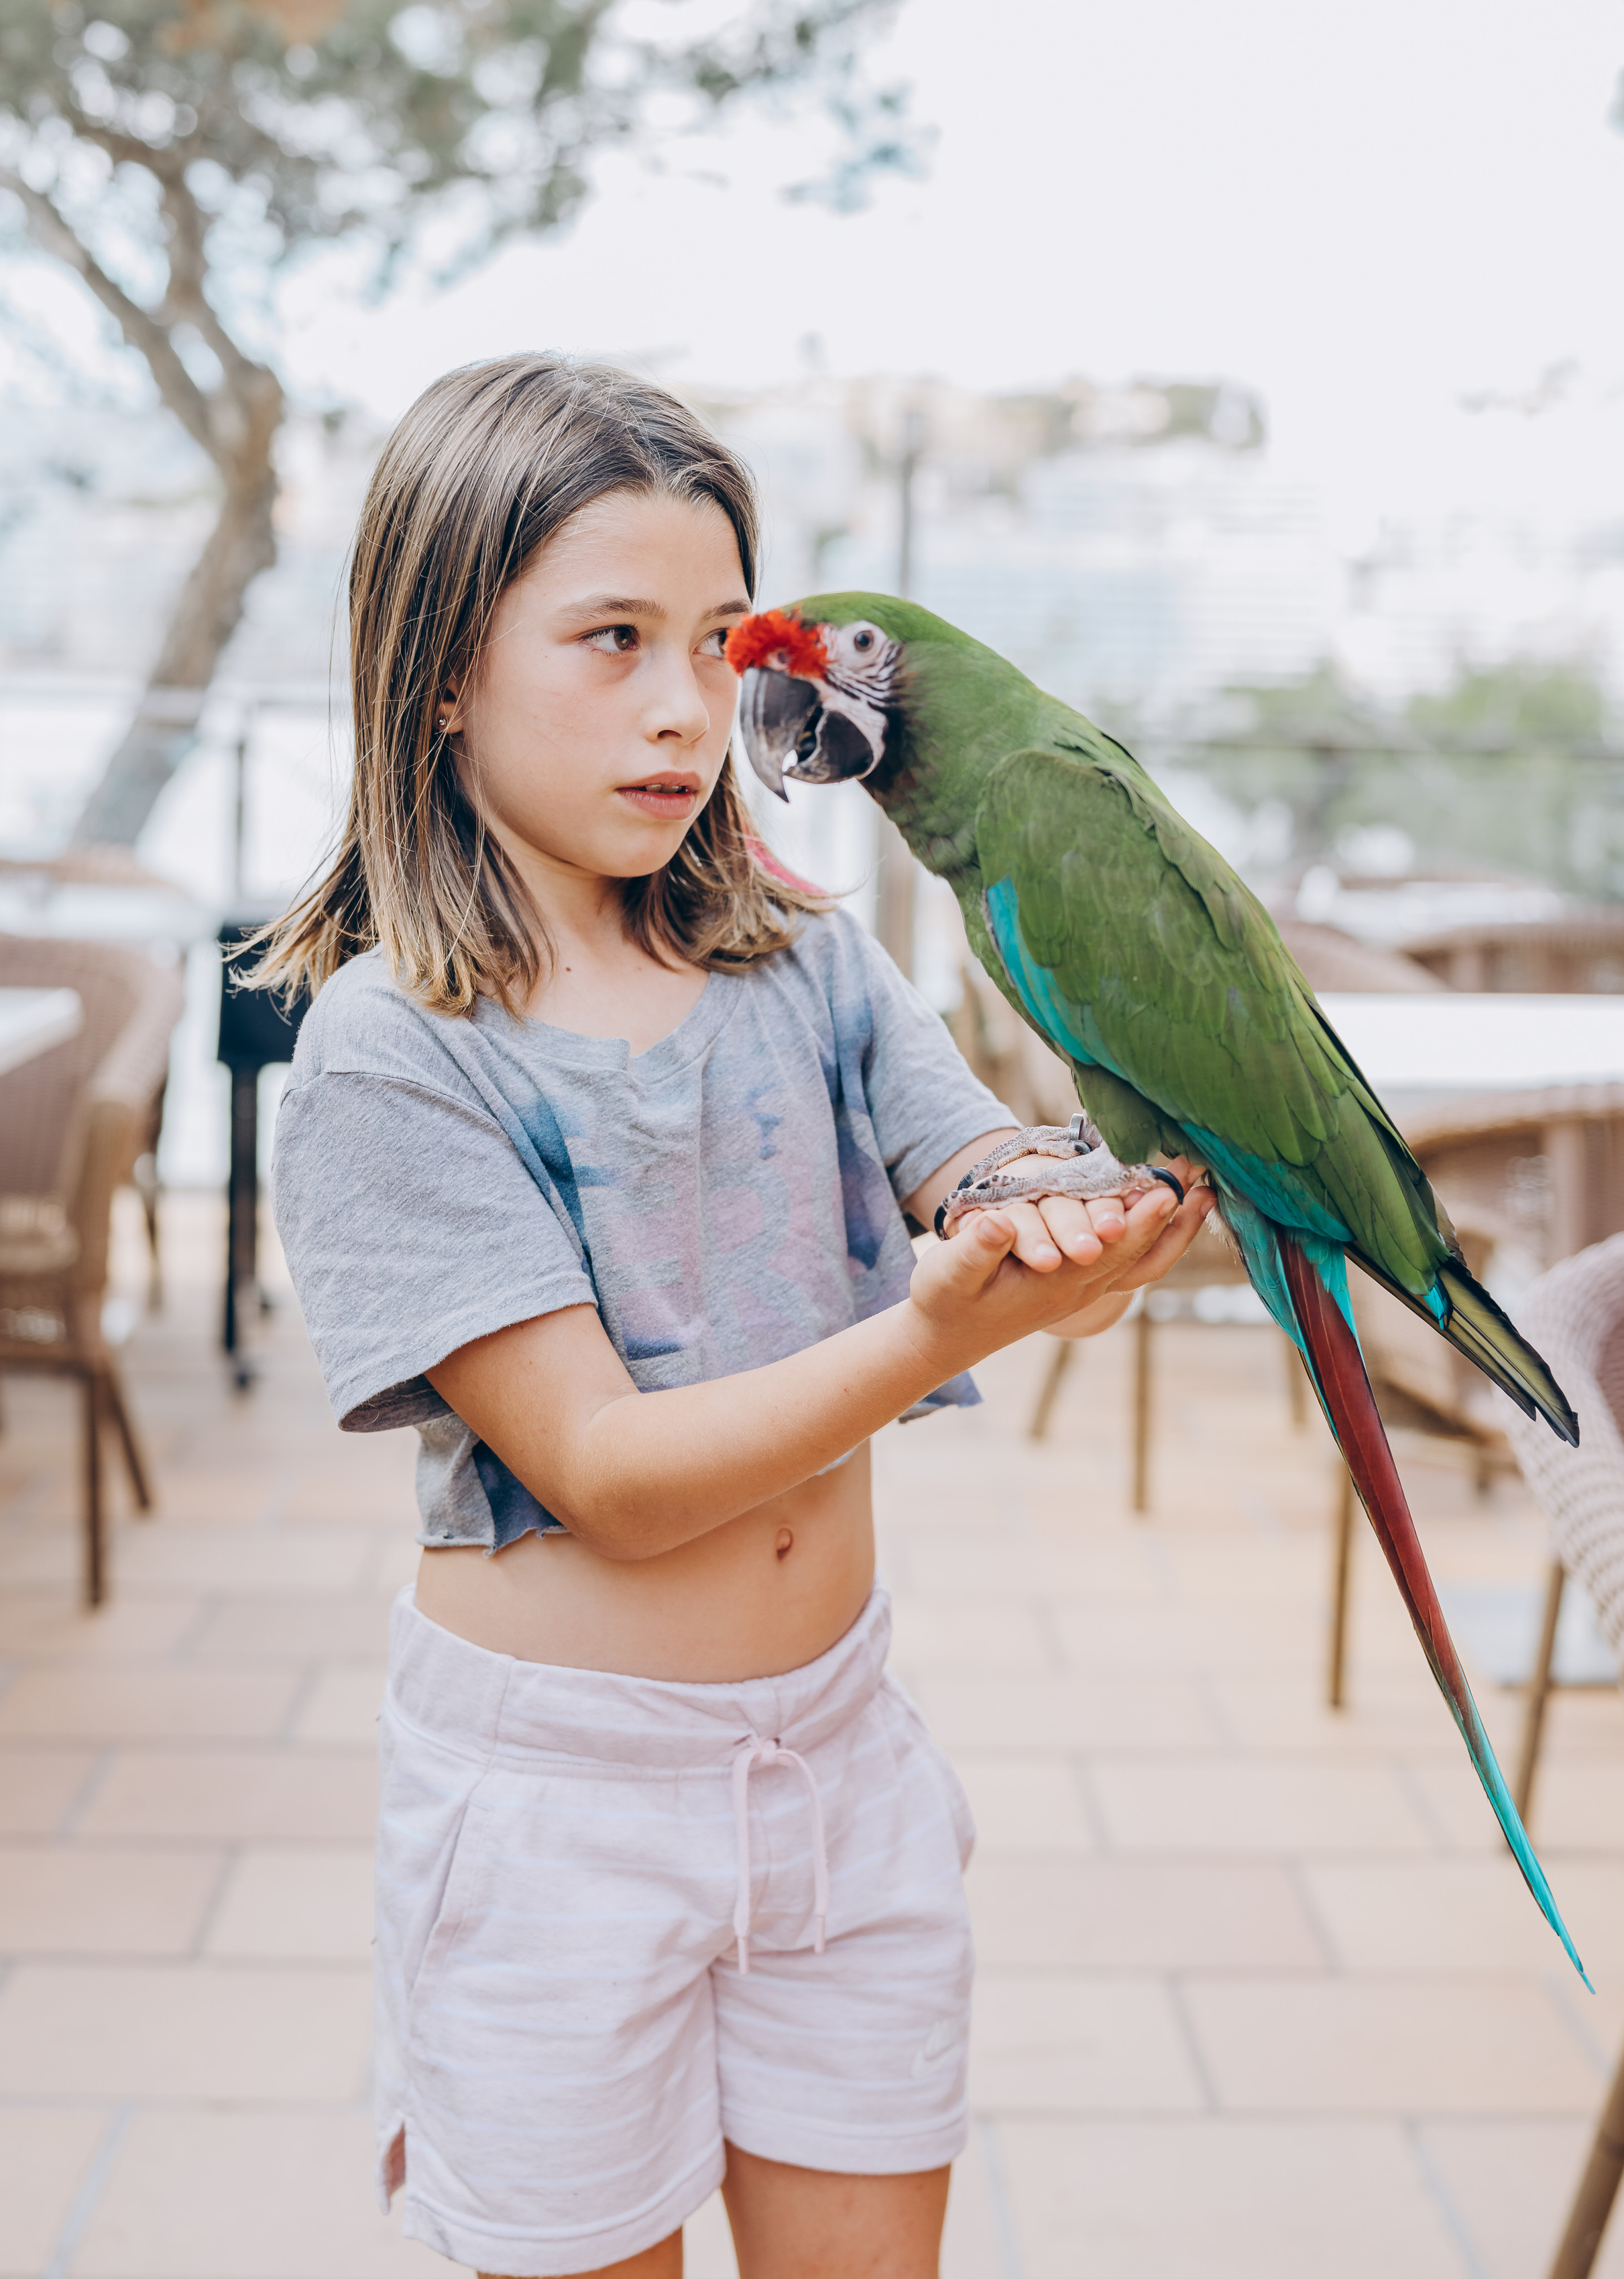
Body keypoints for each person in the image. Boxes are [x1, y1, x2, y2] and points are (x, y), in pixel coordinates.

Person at [262, 354, 1211, 2279]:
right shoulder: (392, 1053)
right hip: (556, 1818)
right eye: (613, 640)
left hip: (841, 1760)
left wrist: (1069, 1218)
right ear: (439, 672)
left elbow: (973, 1159)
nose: (690, 708)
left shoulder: (805, 956)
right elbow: (608, 1477)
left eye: (716, 641)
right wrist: (948, 1335)